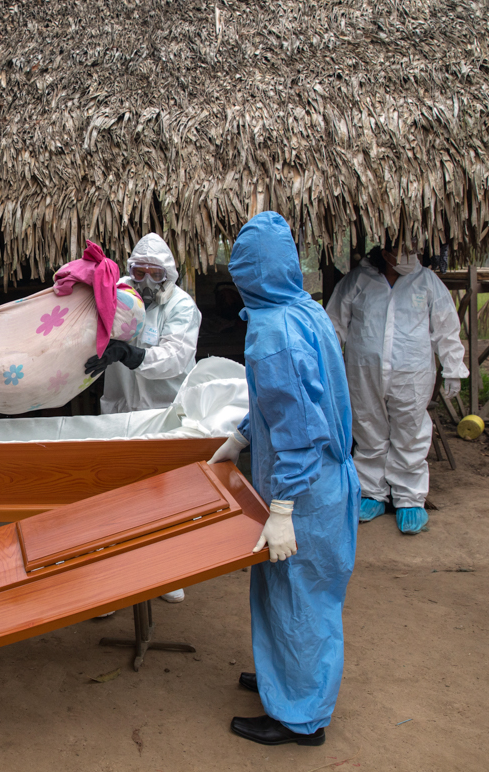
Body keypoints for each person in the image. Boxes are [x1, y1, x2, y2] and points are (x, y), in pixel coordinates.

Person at [208, 211, 359, 747]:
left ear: (248, 273)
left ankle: (299, 718)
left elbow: (298, 429)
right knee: (282, 588)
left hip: (306, 487)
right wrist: (245, 435)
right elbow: (290, 403)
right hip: (321, 479)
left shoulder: (271, 334)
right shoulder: (306, 310)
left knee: (302, 600)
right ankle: (284, 679)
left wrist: (285, 508)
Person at [85, 232, 201, 603]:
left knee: (165, 494)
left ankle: (166, 571)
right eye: (139, 272)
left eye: (155, 274)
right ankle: (118, 581)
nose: (146, 282)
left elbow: (176, 356)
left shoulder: (181, 307)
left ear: (168, 275)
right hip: (121, 408)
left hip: (163, 411)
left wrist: (132, 356)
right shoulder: (116, 298)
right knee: (119, 497)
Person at [325, 240, 468, 534]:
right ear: (384, 250)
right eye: (400, 248)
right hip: (363, 372)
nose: (407, 254)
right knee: (368, 429)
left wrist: (453, 367)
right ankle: (372, 493)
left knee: (410, 430)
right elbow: (333, 324)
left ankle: (410, 498)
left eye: (412, 248)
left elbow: (446, 327)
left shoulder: (427, 282)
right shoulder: (358, 281)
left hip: (412, 374)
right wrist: (323, 363)